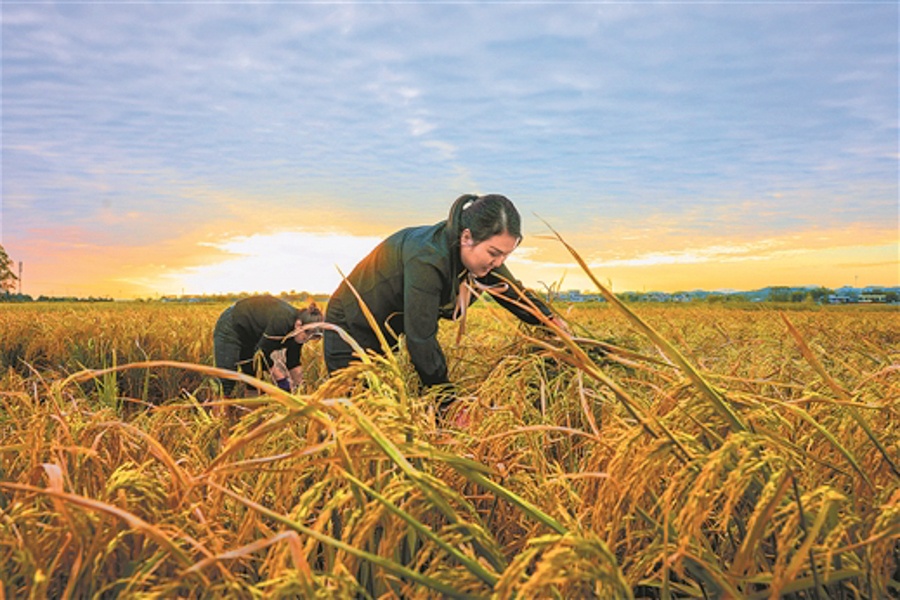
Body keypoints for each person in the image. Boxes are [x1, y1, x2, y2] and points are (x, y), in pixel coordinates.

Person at [323, 193, 567, 411]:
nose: (499, 263)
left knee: (384, 402)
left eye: (506, 255)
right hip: (350, 323)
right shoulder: (427, 259)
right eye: (494, 253)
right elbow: (421, 337)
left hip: (388, 326)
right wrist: (449, 402)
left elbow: (512, 292)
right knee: (355, 411)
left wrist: (550, 321)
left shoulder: (479, 256)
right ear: (467, 237)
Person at [213, 295, 323, 395]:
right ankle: (219, 409)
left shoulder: (298, 333)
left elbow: (293, 361)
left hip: (251, 336)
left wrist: (300, 389)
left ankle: (252, 409)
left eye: (311, 338)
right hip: (233, 324)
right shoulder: (282, 320)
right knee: (225, 381)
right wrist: (281, 380)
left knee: (254, 381)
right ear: (298, 325)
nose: (306, 340)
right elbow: (260, 354)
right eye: (306, 336)